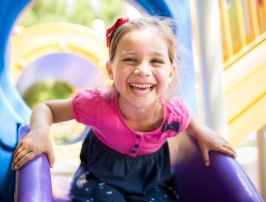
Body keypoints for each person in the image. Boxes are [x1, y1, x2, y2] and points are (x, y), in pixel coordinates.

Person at [12, 16, 236, 202]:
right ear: (111, 70)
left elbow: (187, 117)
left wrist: (203, 132)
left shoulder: (173, 114)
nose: (142, 70)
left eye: (156, 61)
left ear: (170, 72)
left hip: (152, 182)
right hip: (99, 178)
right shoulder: (97, 105)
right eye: (130, 59)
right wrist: (40, 132)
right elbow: (46, 108)